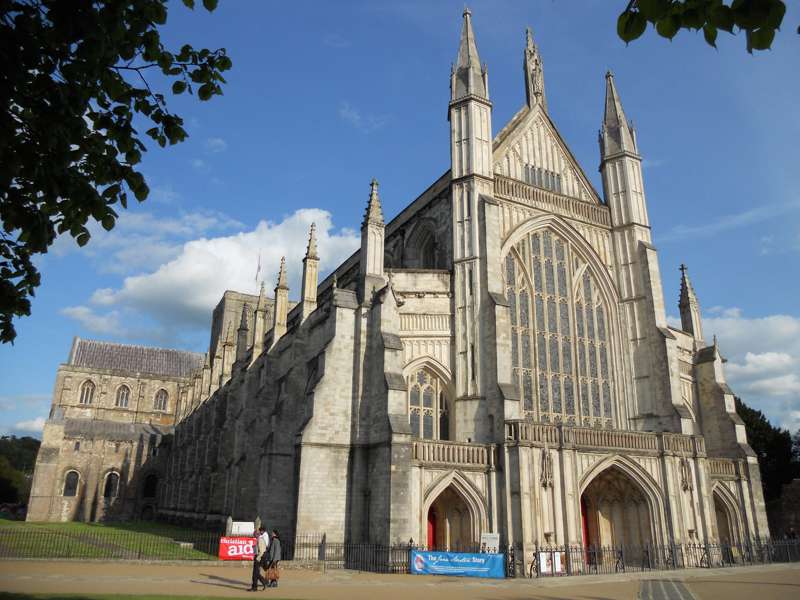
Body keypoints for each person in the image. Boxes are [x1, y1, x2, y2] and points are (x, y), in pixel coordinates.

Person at [248, 526, 268, 591]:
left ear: (257, 534)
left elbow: (261, 551)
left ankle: (256, 586)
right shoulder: (259, 539)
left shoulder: (260, 540)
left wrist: (257, 558)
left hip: (259, 557)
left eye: (254, 534)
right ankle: (259, 584)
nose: (253, 535)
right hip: (259, 557)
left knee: (255, 573)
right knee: (256, 573)